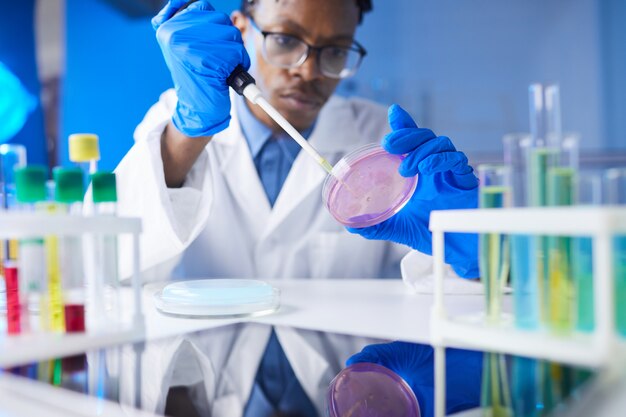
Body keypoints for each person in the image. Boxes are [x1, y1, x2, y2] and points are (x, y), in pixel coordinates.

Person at [113, 0, 480, 415]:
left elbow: (460, 295)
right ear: (242, 29)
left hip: (352, 388)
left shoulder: (380, 143)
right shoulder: (178, 119)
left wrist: (463, 239)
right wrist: (187, 133)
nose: (308, 71)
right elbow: (112, 262)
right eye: (285, 40)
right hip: (200, 376)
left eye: (336, 50)